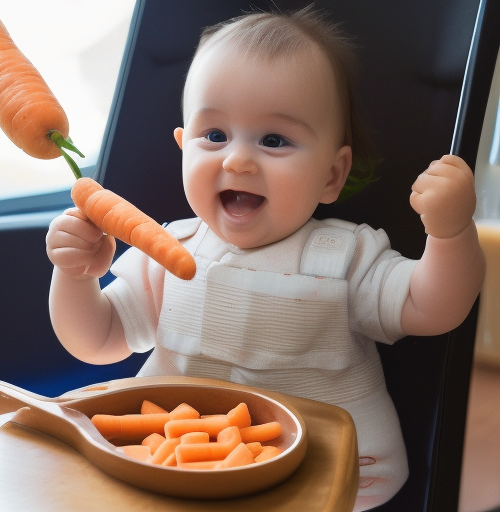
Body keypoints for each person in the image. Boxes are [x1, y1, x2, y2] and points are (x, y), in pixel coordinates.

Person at [46, 8, 485, 511]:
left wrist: (449, 233)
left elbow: (434, 308)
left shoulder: (347, 256)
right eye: (213, 136)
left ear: (331, 176)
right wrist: (75, 275)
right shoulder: (169, 248)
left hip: (323, 480)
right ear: (182, 146)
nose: (237, 160)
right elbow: (96, 341)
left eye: (273, 140)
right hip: (176, 465)